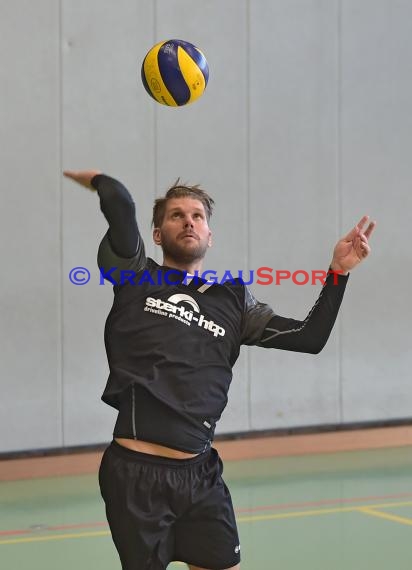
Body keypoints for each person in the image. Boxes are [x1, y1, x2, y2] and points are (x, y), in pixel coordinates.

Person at [64, 169, 376, 570]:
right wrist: (93, 178)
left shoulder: (233, 300)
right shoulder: (136, 276)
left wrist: (337, 272)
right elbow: (121, 205)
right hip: (136, 474)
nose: (189, 221)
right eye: (176, 215)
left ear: (210, 235)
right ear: (158, 235)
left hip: (201, 472)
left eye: (197, 216)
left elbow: (308, 337)